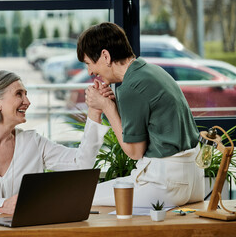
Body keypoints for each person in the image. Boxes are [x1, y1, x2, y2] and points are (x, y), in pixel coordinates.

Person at [77, 22, 204, 208]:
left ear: (105, 56)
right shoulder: (151, 71)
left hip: (167, 186)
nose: (90, 72)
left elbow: (134, 152)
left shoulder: (130, 88)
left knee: (81, 197)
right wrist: (112, 105)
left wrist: (106, 107)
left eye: (89, 63)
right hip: (193, 181)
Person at [0, 70, 109, 214]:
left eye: (26, 94)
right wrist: (3, 205)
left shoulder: (34, 142)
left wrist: (95, 112)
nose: (27, 101)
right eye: (19, 94)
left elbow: (81, 164)